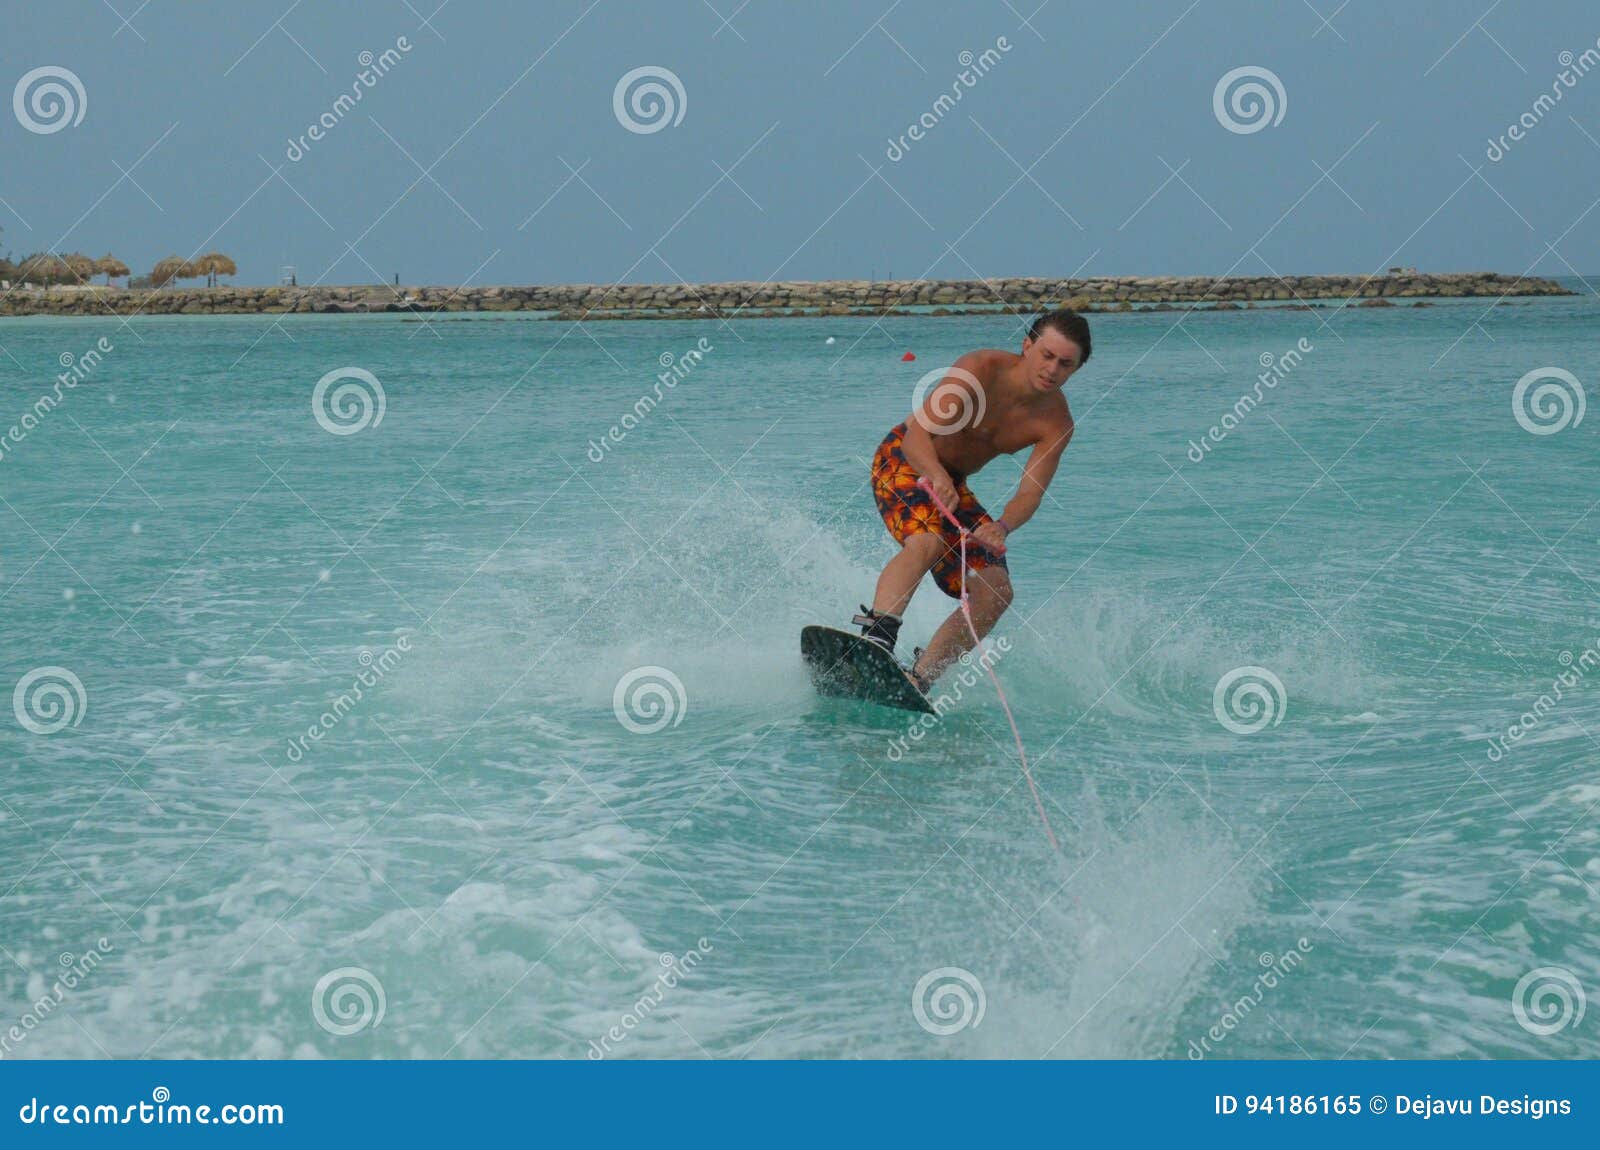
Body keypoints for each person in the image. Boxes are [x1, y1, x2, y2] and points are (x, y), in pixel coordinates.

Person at [857, 308, 1089, 690]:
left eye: (1065, 364)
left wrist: (1002, 526)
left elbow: (1030, 493)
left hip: (952, 483)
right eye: (1047, 355)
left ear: (1075, 370)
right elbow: (917, 437)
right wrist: (935, 475)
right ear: (1027, 346)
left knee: (996, 590)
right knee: (928, 541)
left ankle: (918, 679)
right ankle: (875, 641)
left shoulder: (1056, 423)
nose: (1052, 369)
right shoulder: (980, 369)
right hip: (906, 457)